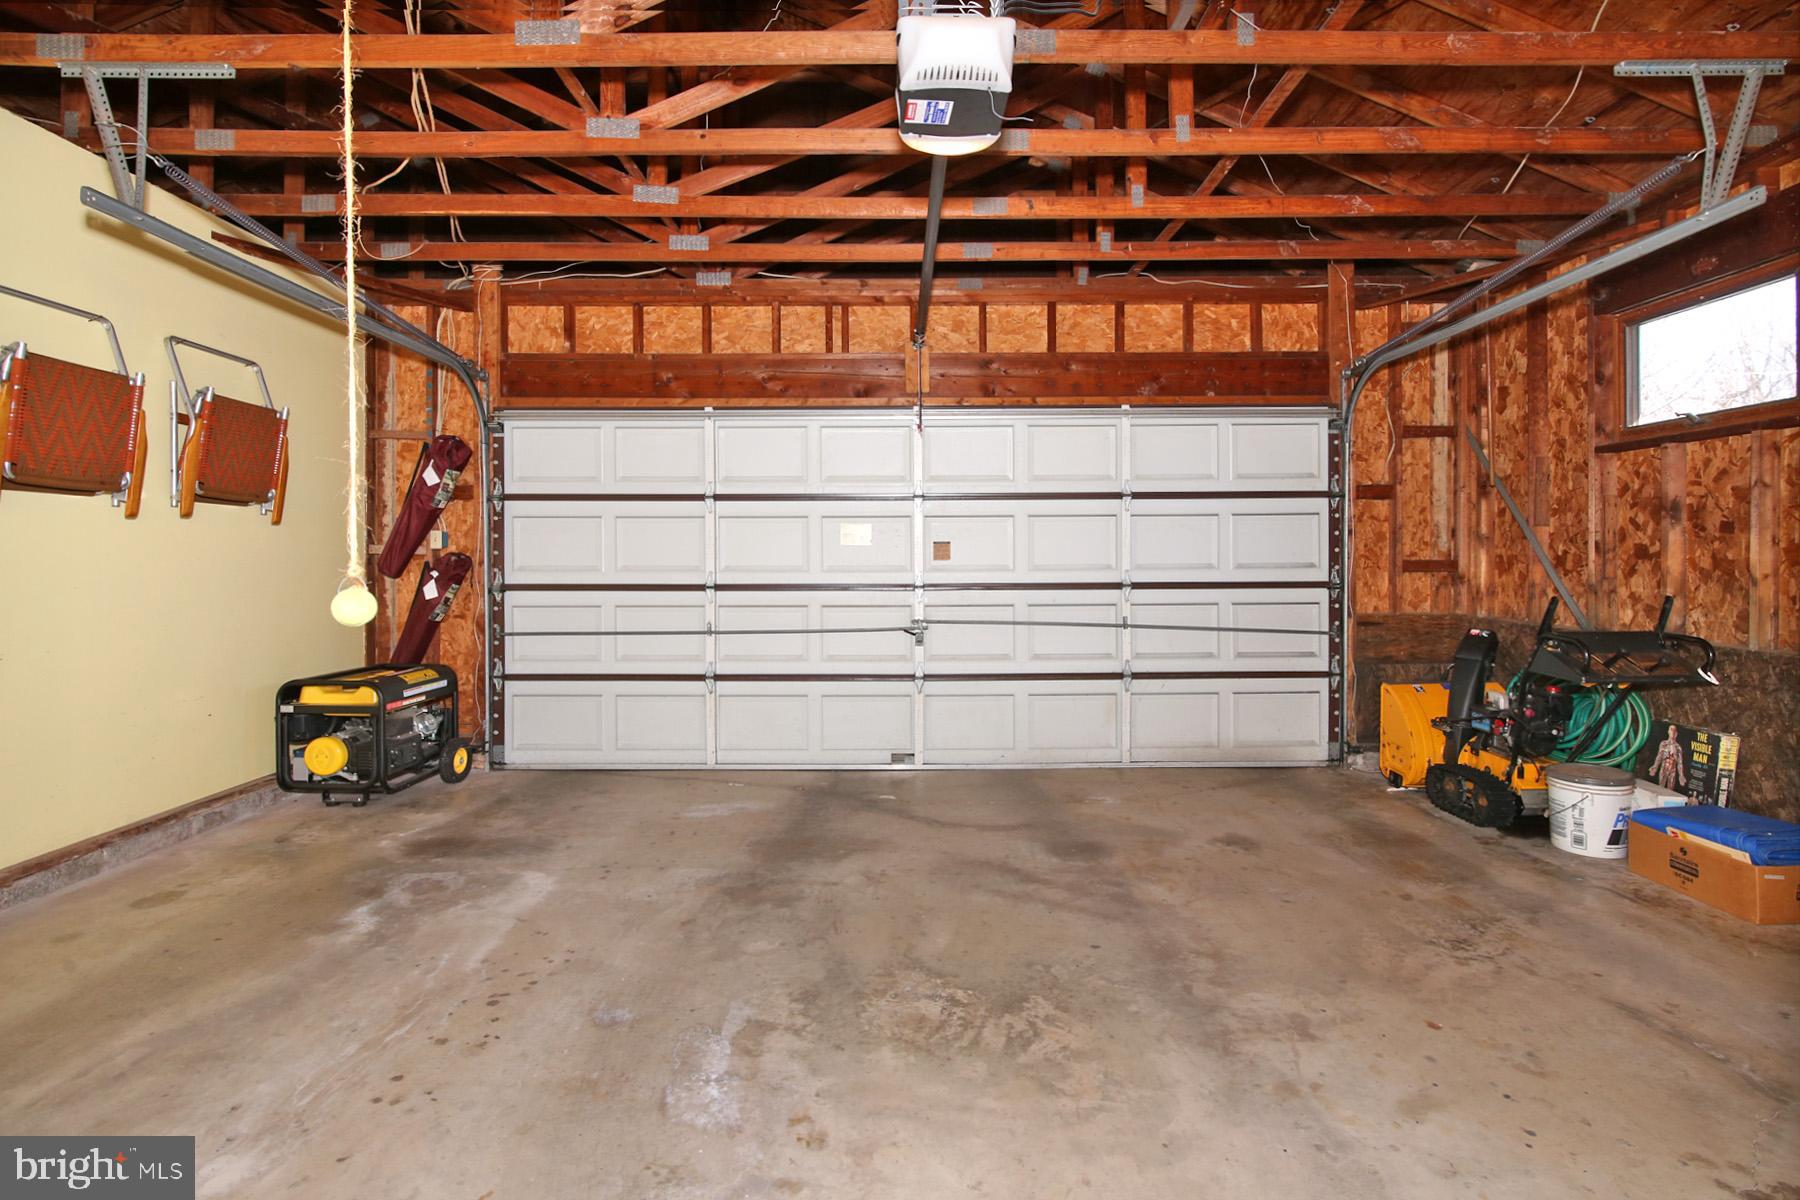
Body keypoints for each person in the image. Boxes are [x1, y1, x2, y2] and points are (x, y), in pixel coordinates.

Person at [1650, 724, 1687, 794]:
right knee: (1660, 788)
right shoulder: (1663, 744)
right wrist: (1655, 767)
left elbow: (1680, 762)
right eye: (1671, 729)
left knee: (1670, 791)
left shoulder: (1678, 747)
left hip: (1672, 770)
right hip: (1664, 768)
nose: (1672, 732)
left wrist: (1681, 775)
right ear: (1668, 731)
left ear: (1676, 734)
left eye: (1674, 730)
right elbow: (1659, 756)